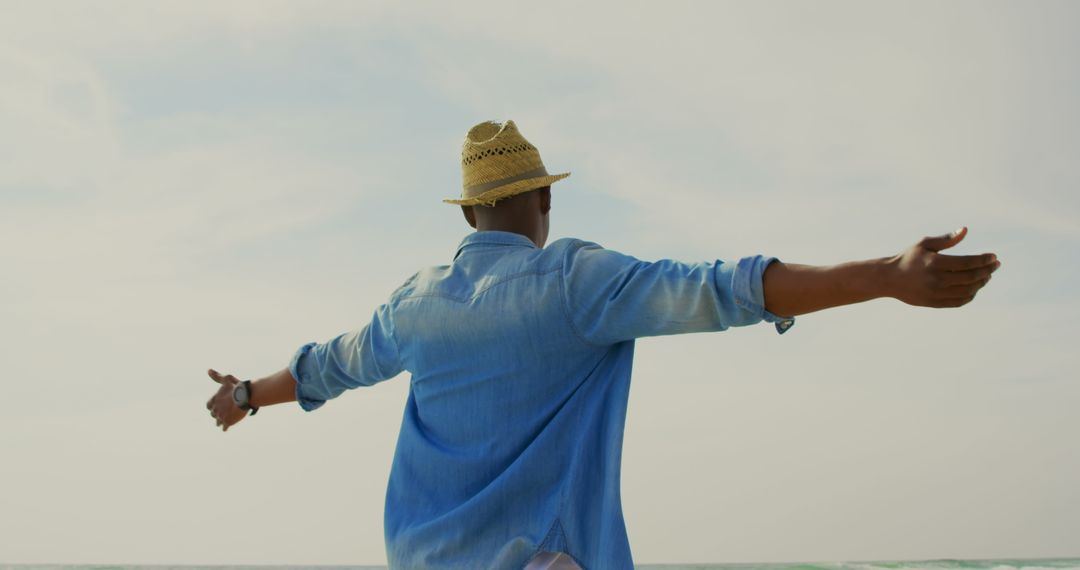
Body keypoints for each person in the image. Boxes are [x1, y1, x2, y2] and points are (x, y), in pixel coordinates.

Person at [206, 119, 1001, 569]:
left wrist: (243, 396)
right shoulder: (573, 282)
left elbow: (327, 368)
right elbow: (726, 287)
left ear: (465, 215)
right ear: (545, 199)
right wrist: (885, 274)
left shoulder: (413, 306)